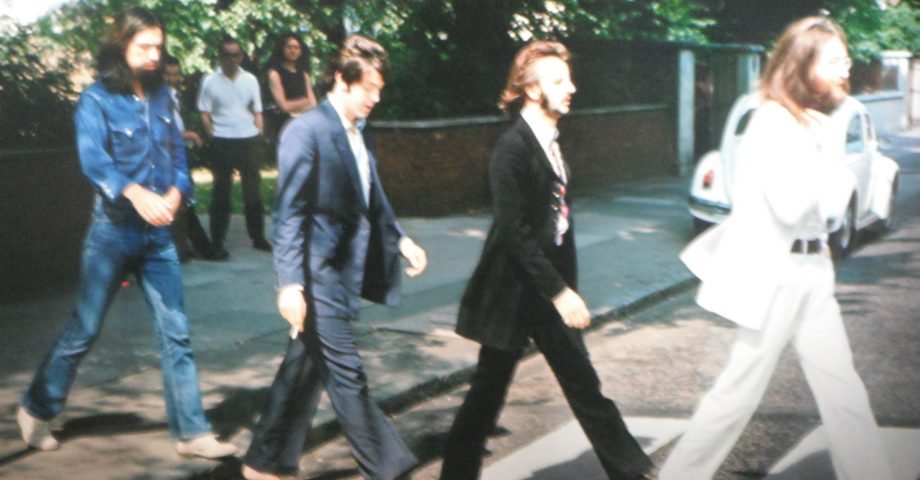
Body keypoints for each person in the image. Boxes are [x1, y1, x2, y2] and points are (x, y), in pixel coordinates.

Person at [658, 17, 894, 480]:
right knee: (736, 396)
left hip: (812, 269)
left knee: (842, 388)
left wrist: (827, 142)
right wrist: (828, 146)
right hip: (776, 276)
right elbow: (791, 207)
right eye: (833, 60)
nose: (844, 69)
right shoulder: (772, 122)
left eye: (844, 59)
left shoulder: (809, 122)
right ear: (801, 65)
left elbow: (827, 210)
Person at [16, 7, 237, 460]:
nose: (155, 56)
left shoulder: (164, 98)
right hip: (112, 233)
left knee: (175, 331)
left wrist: (178, 191)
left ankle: (192, 432)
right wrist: (135, 193)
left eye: (159, 47)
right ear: (121, 48)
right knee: (86, 328)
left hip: (158, 237)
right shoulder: (95, 100)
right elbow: (94, 161)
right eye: (145, 48)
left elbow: (177, 155)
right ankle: (37, 406)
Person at [439, 40, 651, 480]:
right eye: (559, 81)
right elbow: (515, 235)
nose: (571, 87)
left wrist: (564, 287)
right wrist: (560, 292)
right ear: (533, 90)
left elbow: (557, 227)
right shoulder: (511, 149)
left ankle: (632, 471)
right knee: (485, 397)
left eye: (568, 78)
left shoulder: (551, 141)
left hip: (544, 292)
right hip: (511, 294)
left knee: (584, 387)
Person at [241, 35, 428, 480]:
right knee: (347, 375)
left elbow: (371, 195)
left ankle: (264, 463)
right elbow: (289, 215)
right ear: (343, 82)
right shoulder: (305, 131)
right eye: (369, 88)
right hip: (316, 273)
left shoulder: (357, 132)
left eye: (379, 89)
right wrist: (289, 284)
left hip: (343, 271)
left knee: (303, 370)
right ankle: (388, 468)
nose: (376, 98)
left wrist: (401, 240)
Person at [197, 36, 270, 256]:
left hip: (248, 139)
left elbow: (258, 110)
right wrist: (211, 133)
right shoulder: (210, 80)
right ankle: (217, 242)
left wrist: (259, 133)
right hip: (222, 140)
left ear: (241, 56)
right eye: (226, 55)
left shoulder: (250, 80)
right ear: (220, 55)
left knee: (253, 193)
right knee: (221, 192)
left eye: (235, 54)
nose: (231, 59)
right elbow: (204, 112)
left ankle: (258, 237)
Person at [163, 55, 222, 261]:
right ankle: (199, 247)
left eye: (175, 74)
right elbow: (161, 132)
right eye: (167, 74)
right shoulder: (159, 98)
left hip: (177, 153)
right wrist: (189, 135)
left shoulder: (172, 95)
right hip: (166, 156)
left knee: (184, 201)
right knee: (182, 201)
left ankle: (189, 248)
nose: (172, 79)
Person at [264, 33, 317, 130]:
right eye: (289, 47)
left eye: (296, 48)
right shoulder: (274, 74)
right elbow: (284, 106)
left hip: (304, 123)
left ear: (301, 51)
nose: (293, 50)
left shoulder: (304, 74)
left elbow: (312, 103)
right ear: (282, 49)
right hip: (281, 124)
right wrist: (303, 102)